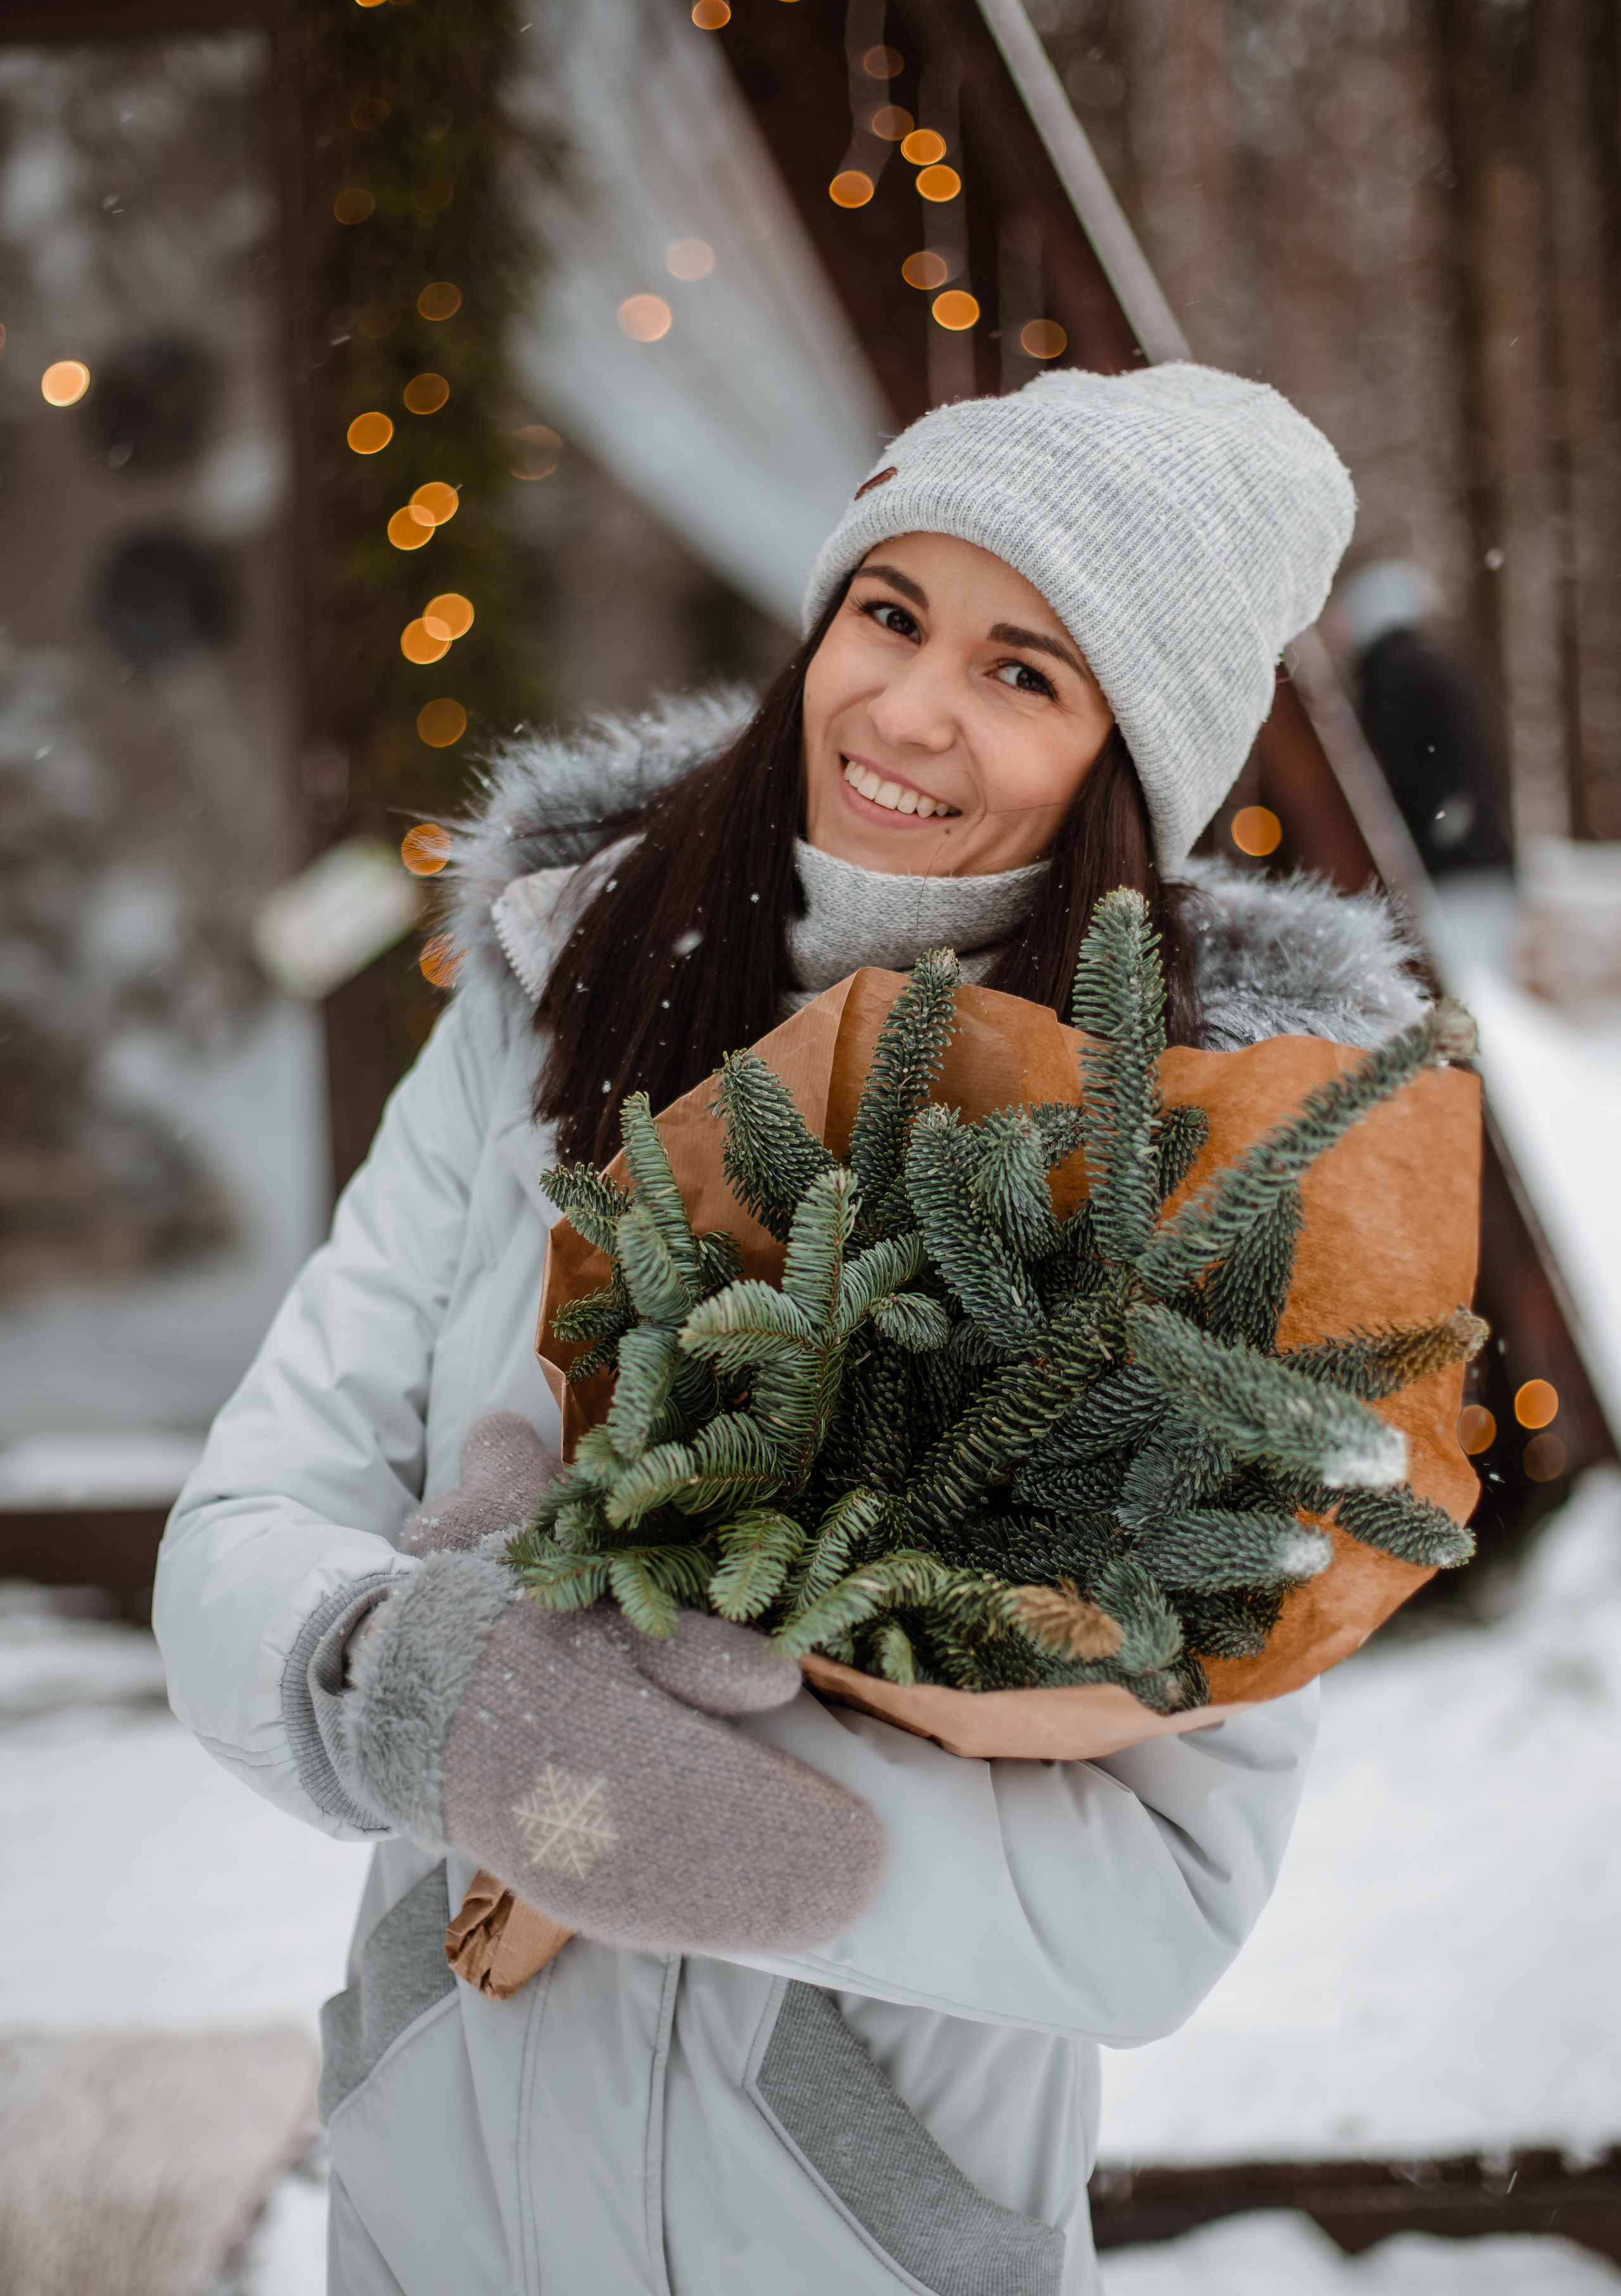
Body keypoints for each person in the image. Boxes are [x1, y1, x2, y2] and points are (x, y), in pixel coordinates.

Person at [156, 365, 1429, 2296]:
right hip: (450, 2207)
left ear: (1123, 752)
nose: (908, 708)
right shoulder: (539, 1009)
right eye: (889, 611)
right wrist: (438, 1691)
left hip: (856, 2238)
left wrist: (708, 1820)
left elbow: (1161, 1898)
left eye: (1025, 671)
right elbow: (240, 1537)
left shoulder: (1214, 1175)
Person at [1332, 558, 1512, 875]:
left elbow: (1393, 761)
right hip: (1477, 852)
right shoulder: (1437, 664)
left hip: (1443, 862)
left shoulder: (1391, 673)